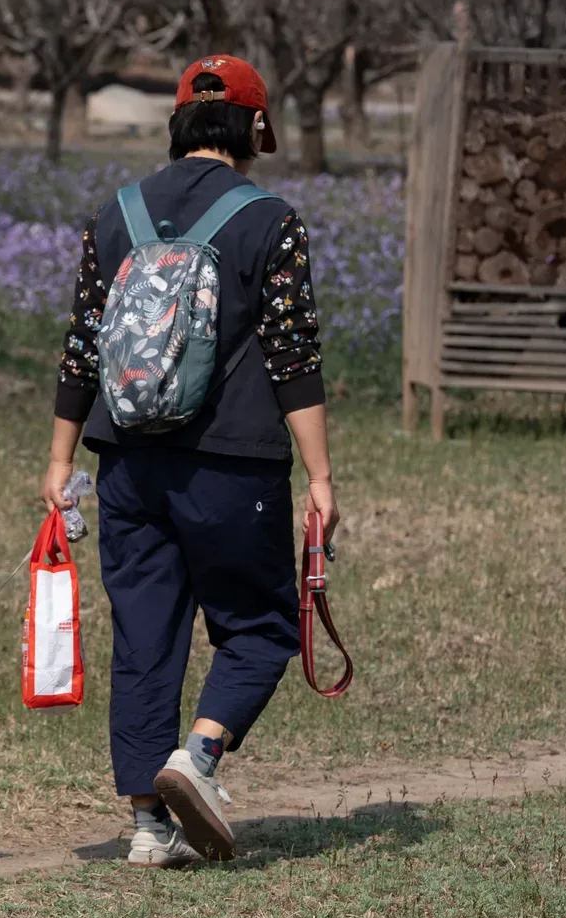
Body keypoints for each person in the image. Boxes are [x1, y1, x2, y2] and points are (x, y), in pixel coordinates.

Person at [40, 55, 343, 868]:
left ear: (177, 123)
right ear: (254, 127)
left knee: (145, 636)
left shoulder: (117, 213)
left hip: (125, 462)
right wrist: (319, 478)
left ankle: (148, 829)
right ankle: (198, 759)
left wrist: (60, 458)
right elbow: (292, 355)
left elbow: (80, 348)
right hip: (230, 464)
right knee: (261, 627)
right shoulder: (269, 218)